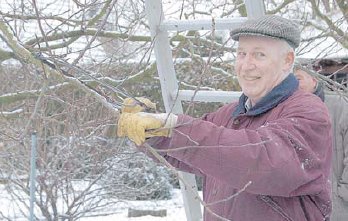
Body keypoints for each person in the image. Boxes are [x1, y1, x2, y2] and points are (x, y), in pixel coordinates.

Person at [117, 15, 333, 221]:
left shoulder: (308, 111)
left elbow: (262, 160)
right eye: (241, 54)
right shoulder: (230, 114)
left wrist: (174, 126)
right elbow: (189, 149)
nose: (246, 65)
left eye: (259, 55)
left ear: (287, 61)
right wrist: (152, 131)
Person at [294, 67, 348, 221]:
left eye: (298, 79)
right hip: (298, 206)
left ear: (314, 80)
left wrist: (342, 192)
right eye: (288, 81)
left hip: (336, 206)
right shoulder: (283, 113)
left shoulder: (340, 106)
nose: (293, 84)